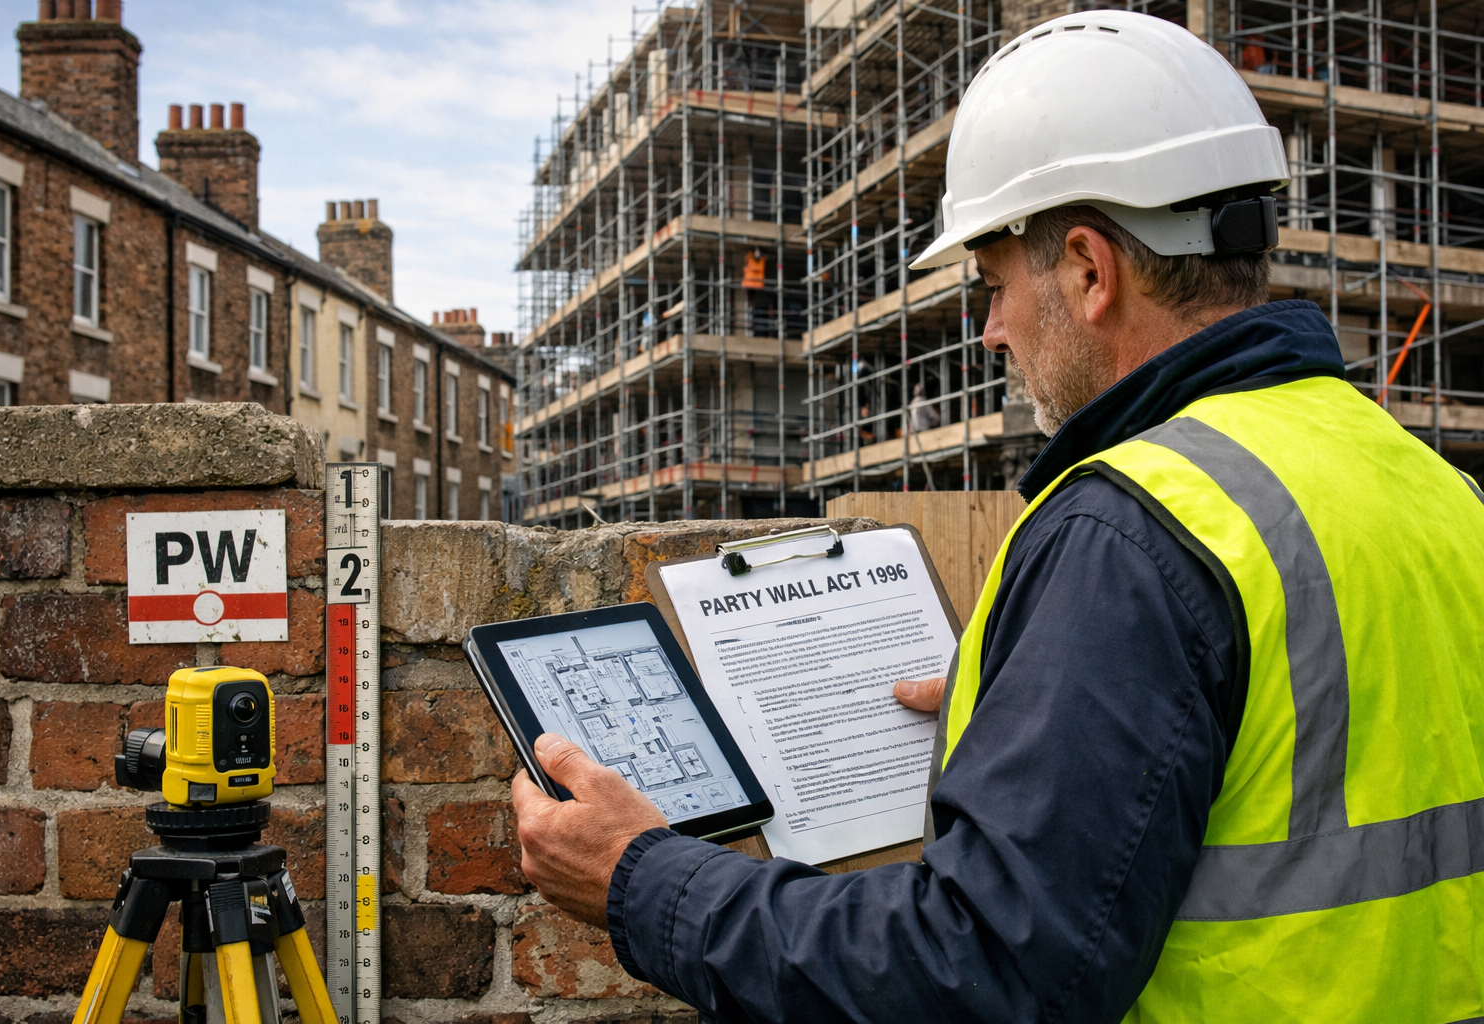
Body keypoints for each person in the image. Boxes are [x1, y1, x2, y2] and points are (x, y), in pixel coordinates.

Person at [512, 11, 1484, 1022]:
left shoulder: (1137, 531)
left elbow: (979, 973)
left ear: (1088, 270)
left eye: (992, 284)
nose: (987, 330)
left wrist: (644, 881)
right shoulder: (1430, 487)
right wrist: (1051, 699)